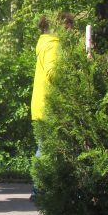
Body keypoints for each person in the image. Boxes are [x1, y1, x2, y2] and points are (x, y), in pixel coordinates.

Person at [30, 12, 73, 200]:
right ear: (60, 25)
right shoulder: (54, 45)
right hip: (51, 106)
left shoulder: (45, 43)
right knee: (46, 149)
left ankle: (41, 189)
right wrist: (76, 70)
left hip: (43, 105)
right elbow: (54, 74)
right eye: (69, 25)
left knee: (45, 148)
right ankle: (40, 190)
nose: (71, 29)